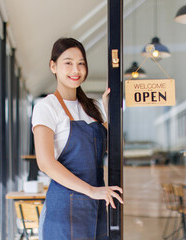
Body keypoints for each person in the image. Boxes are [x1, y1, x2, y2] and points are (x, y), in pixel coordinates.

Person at [32, 38, 124, 240]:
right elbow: (45, 163)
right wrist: (91, 191)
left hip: (97, 208)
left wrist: (109, 110)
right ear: (53, 66)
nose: (76, 69)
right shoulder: (47, 107)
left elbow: (117, 148)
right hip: (64, 212)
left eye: (81, 63)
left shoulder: (92, 108)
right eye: (68, 63)